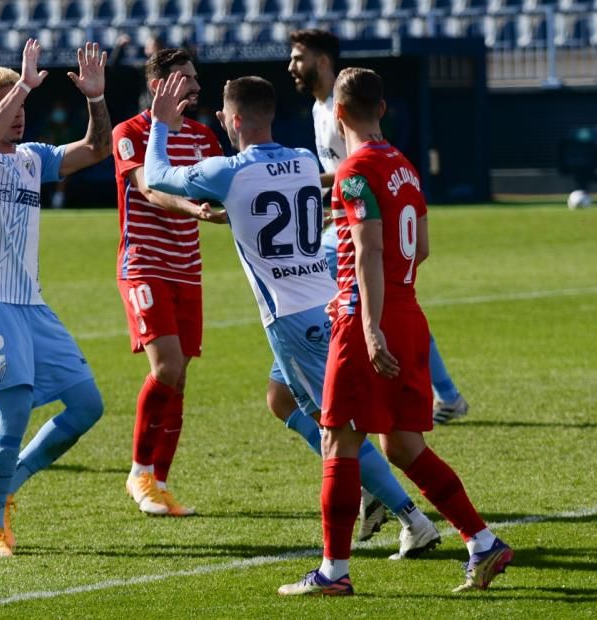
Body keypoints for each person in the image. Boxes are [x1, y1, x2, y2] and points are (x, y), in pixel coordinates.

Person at [144, 73, 441, 559]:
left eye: (223, 113)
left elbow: (156, 175)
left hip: (290, 317)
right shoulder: (302, 159)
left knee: (337, 427)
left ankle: (410, 518)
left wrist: (159, 124)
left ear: (233, 120)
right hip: (324, 297)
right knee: (280, 398)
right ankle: (376, 489)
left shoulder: (227, 171)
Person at [278, 68, 513, 596]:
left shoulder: (354, 171)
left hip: (369, 320)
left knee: (336, 439)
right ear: (382, 109)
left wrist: (369, 327)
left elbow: (367, 250)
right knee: (403, 445)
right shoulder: (404, 166)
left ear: (338, 114)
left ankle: (333, 572)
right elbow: (420, 247)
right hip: (409, 312)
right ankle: (482, 541)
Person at [0, 39, 112, 557]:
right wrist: (21, 83)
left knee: (87, 404)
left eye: (23, 107)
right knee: (15, 412)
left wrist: (95, 98)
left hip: (31, 305)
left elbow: (96, 150)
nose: (20, 115)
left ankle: (5, 482)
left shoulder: (32, 159)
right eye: (9, 106)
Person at [287, 29, 469, 425]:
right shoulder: (322, 109)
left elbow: (362, 170)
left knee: (320, 291)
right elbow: (343, 175)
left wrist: (298, 182)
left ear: (321, 61)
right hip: (348, 220)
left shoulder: (344, 107)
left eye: (298, 57)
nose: (291, 65)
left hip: (362, 227)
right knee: (384, 301)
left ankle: (323, 381)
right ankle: (445, 392)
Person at [111, 48, 226, 517]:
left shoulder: (203, 137)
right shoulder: (130, 132)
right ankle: (139, 473)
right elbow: (149, 189)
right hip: (144, 263)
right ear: (160, 86)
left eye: (195, 79)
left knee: (179, 380)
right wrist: (194, 207)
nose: (195, 87)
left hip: (188, 268)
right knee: (166, 368)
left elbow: (229, 189)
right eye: (185, 79)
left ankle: (160, 482)